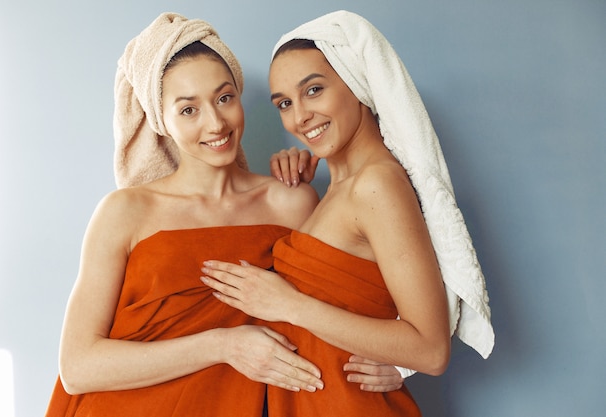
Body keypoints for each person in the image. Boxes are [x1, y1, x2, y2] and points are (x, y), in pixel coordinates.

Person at [44, 12, 404, 417]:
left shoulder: (290, 202)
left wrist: (400, 366)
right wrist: (222, 345)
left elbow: (348, 304)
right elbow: (77, 367)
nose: (215, 123)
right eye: (188, 110)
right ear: (161, 121)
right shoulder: (124, 212)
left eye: (224, 98)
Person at [201, 10, 495, 416]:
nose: (299, 116)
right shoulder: (337, 189)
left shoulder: (377, 185)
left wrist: (289, 305)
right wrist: (301, 186)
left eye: (314, 90)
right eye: (284, 103)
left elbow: (430, 350)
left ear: (356, 82)